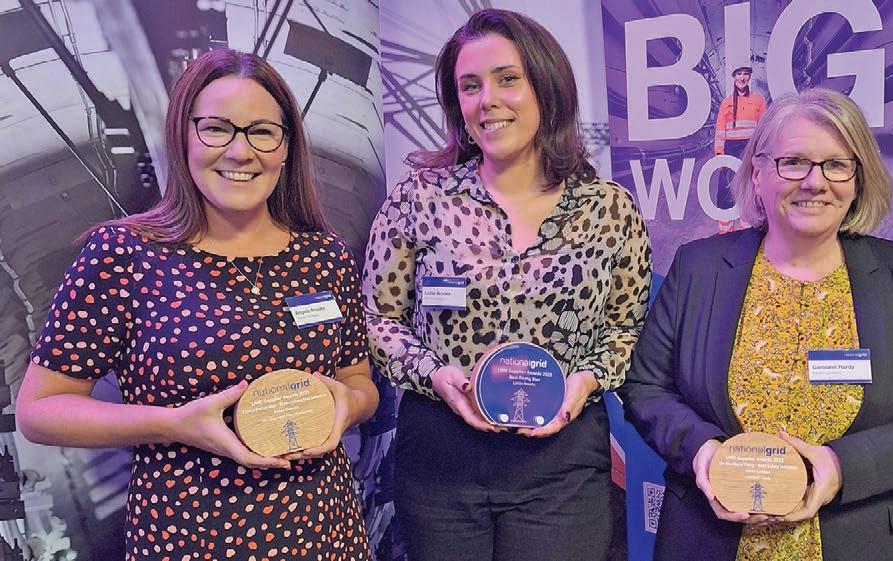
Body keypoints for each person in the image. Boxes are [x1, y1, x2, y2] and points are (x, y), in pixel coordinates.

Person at [16, 49, 377, 561]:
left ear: (286, 147)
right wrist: (173, 422)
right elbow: (40, 411)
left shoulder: (324, 256)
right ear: (183, 137)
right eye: (217, 129)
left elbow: (358, 381)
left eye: (262, 132)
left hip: (324, 533)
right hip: (188, 538)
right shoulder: (124, 254)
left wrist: (347, 407)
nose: (240, 151)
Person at [619, 88, 893, 561]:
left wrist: (843, 466)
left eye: (836, 164)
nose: (815, 182)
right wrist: (703, 452)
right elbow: (645, 386)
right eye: (793, 162)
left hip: (866, 541)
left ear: (858, 179)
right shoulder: (698, 268)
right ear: (757, 173)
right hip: (707, 540)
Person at [362, 9, 652, 561]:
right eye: (470, 86)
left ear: (546, 85)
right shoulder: (419, 198)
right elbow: (379, 318)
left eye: (507, 79)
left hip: (560, 464)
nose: (487, 101)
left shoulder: (608, 209)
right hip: (441, 463)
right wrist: (436, 375)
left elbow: (625, 328)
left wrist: (584, 385)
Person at [714, 65, 767, 234]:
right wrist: (719, 154)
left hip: (749, 150)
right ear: (734, 77)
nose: (742, 78)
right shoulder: (726, 102)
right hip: (730, 150)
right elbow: (720, 129)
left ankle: (745, 235)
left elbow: (763, 129)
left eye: (745, 74)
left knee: (748, 193)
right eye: (739, 74)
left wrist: (760, 155)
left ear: (749, 77)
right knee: (726, 193)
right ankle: (725, 235)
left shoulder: (759, 100)